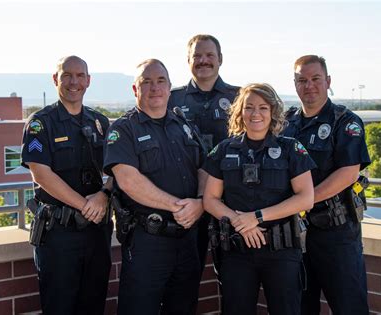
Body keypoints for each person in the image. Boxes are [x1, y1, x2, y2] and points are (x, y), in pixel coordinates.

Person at [104, 59, 206, 315]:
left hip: (187, 240)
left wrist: (201, 201)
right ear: (135, 89)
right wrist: (180, 207)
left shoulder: (183, 126)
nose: (155, 87)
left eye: (161, 81)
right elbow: (127, 180)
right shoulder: (123, 129)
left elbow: (205, 167)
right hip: (148, 241)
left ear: (170, 87)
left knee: (183, 307)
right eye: (146, 82)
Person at [203, 83, 316, 315]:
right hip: (237, 252)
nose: (256, 114)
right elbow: (210, 199)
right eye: (249, 107)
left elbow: (306, 198)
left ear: (273, 112)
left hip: (282, 252)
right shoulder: (224, 150)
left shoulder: (291, 149)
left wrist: (257, 217)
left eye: (263, 107)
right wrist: (239, 222)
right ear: (239, 112)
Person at [21, 55, 113, 314]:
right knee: (59, 305)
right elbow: (41, 174)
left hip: (96, 232)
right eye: (67, 76)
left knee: (93, 304)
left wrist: (104, 195)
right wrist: (86, 205)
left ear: (88, 80)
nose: (74, 82)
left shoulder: (100, 123)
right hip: (59, 234)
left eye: (80, 76)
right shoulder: (41, 123)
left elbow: (119, 167)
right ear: (55, 79)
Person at [283, 55, 371, 315]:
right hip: (295, 235)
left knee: (349, 306)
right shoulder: (286, 124)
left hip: (337, 233)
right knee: (300, 307)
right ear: (295, 84)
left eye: (315, 79)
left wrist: (303, 201)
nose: (309, 85)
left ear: (328, 81)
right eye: (302, 80)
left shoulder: (344, 121)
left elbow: (347, 173)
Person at [168, 33, 240, 276]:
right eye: (197, 56)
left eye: (209, 55)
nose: (203, 60)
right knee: (184, 279)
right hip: (187, 203)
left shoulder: (240, 97)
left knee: (235, 279)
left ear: (220, 59)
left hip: (231, 202)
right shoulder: (171, 98)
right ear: (188, 60)